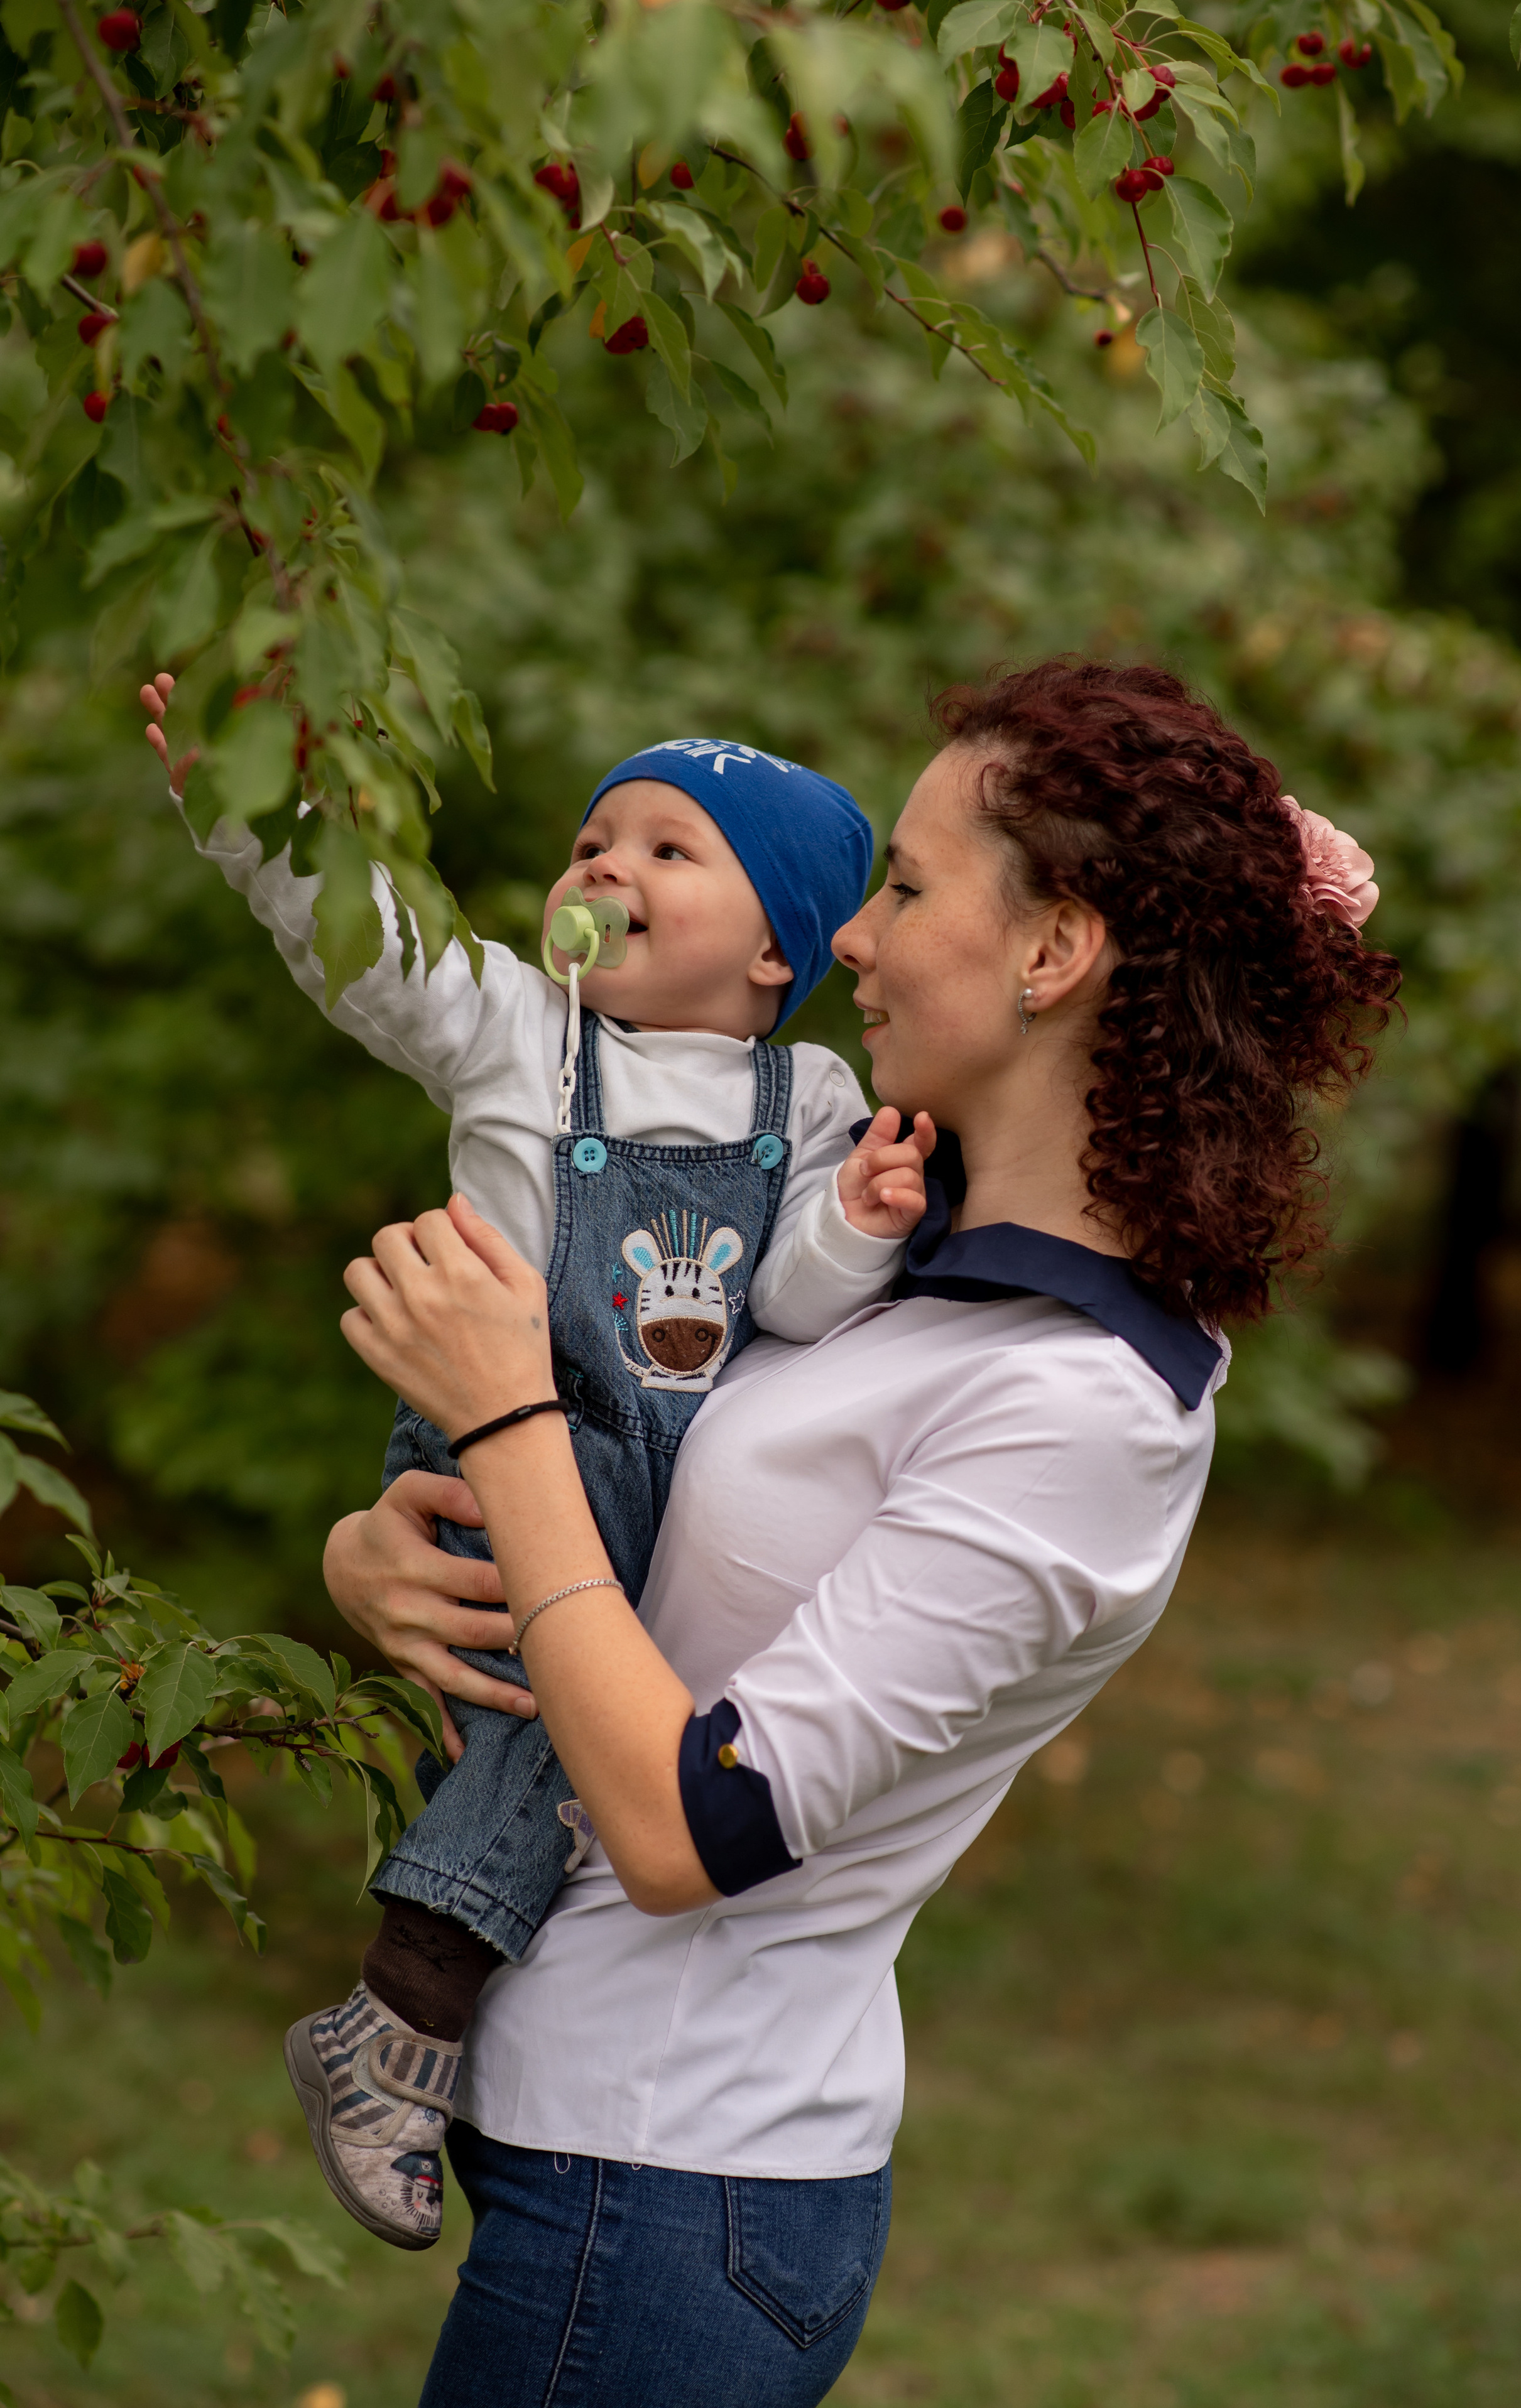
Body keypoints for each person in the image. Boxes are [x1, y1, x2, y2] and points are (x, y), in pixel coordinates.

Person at [321, 659, 1399, 2406]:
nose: (855, 944)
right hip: (583, 2141)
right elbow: (637, 1533)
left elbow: (695, 1822)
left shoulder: (1086, 1406)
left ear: (1055, 953)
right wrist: (390, 1558)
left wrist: (509, 1416)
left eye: (902, 885)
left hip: (673, 2180)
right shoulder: (881, 1247)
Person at [139, 681, 935, 2248]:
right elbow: (360, 937)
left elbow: (784, 1304)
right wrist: (251, 792)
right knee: (528, 1727)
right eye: (588, 840)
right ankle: (404, 2016)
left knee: (570, 1741)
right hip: (508, 1437)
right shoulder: (518, 1031)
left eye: (663, 848)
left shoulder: (817, 1102)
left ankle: (400, 2026)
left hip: (644, 1484)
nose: (599, 868)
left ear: (777, 946)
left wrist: (856, 1223)